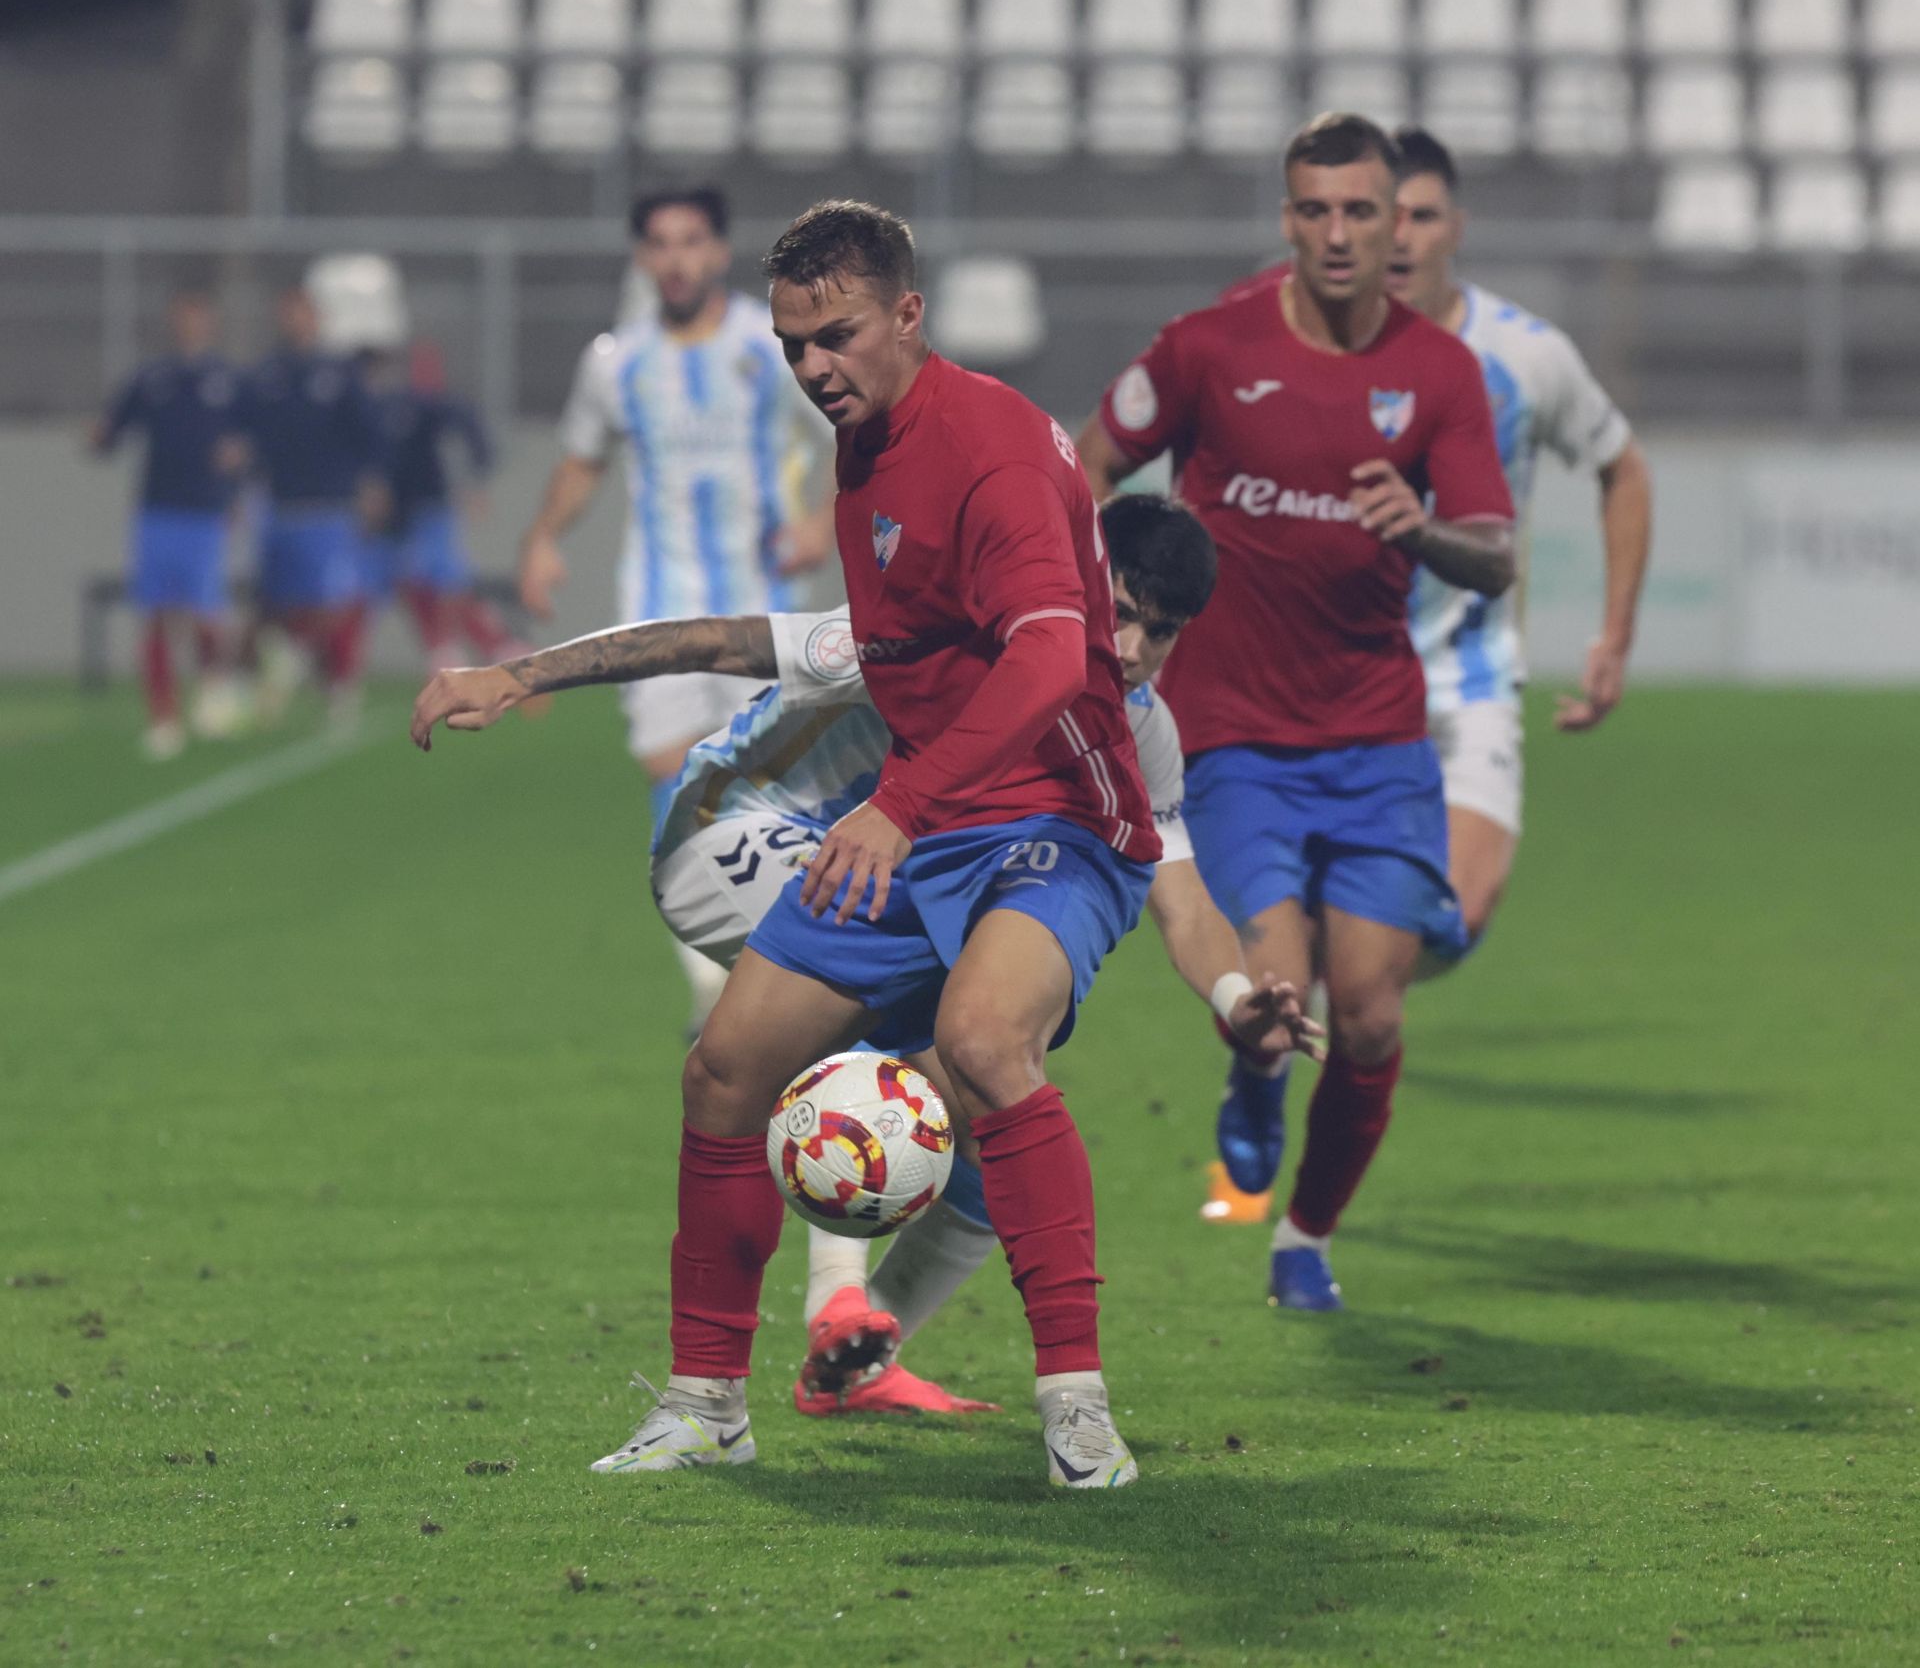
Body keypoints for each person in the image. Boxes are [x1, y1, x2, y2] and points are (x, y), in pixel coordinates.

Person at [412, 495, 1320, 1417]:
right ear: (1082, 581)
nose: (1131, 650)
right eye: (1121, 612)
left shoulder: (1139, 733)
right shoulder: (946, 636)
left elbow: (1182, 893)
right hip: (732, 828)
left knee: (998, 1106)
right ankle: (828, 1301)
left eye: (1159, 633)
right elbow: (722, 643)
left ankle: (863, 1348)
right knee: (924, 1016)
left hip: (877, 871)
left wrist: (1240, 996)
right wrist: (521, 674)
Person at [1077, 114, 1516, 1312]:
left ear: (1396, 224)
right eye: (1313, 210)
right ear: (1287, 218)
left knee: (1368, 1012)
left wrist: (1416, 527)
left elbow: (1494, 556)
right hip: (1229, 739)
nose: (1336, 233)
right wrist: (1094, 606)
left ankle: (1306, 1238)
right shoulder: (1208, 348)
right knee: (1272, 1004)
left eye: (1360, 211)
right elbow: (1086, 468)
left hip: (1376, 740)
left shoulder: (1439, 372)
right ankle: (1256, 1078)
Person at [516, 185, 833, 1032]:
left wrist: (821, 521)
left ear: (720, 250)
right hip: (657, 603)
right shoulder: (614, 361)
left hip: (760, 604)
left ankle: (784, 966)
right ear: (641, 257)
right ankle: (710, 979)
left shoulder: (768, 348)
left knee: (767, 785)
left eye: (692, 240)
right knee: (673, 772)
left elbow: (850, 432)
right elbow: (584, 459)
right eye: (660, 242)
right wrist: (544, 536)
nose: (677, 258)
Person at [1388, 126, 1653, 954]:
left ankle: (1348, 990)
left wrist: (1615, 632)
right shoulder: (1300, 345)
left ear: (1456, 228)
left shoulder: (1525, 353)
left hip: (1467, 673)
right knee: (1333, 940)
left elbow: (1624, 469)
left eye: (1423, 215)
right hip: (1332, 676)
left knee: (1453, 920)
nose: (1402, 235)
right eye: (1383, 213)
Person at [89, 289, 248, 758]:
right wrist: (98, 435)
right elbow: (110, 432)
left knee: (204, 613)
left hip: (205, 512)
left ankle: (214, 695)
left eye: (198, 317)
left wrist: (238, 478)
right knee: (157, 615)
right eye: (183, 317)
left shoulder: (228, 380)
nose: (190, 325)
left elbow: (254, 439)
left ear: (210, 322)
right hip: (158, 511)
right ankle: (163, 719)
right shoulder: (150, 377)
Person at [235, 287, 386, 727]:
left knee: (331, 604)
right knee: (274, 606)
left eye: (303, 313)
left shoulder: (340, 374)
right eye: (288, 313)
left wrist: (372, 486)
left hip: (329, 506)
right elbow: (245, 436)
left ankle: (332, 683)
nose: (295, 321)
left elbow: (370, 435)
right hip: (278, 505)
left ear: (316, 319)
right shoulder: (266, 375)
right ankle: (280, 673)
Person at [362, 340, 519, 673]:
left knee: (445, 582)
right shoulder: (379, 408)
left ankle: (461, 646)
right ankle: (475, 645)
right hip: (395, 519)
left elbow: (472, 436)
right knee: (411, 585)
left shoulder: (429, 406)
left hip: (431, 508)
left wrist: (475, 482)